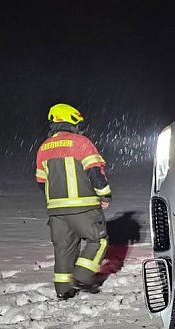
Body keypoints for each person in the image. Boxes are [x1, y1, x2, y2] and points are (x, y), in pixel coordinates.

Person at [34, 103, 111, 300]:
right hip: (83, 206)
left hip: (56, 210)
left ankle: (63, 289)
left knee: (63, 248)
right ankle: (82, 277)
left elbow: (42, 182)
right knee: (99, 240)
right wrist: (104, 194)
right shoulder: (81, 142)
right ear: (71, 121)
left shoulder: (43, 147)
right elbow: (95, 171)